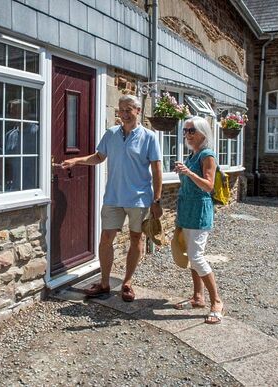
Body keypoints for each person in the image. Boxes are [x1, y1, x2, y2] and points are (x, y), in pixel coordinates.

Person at [61, 95, 163, 302]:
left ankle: (127, 282)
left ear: (138, 111)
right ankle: (105, 283)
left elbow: (157, 169)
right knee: (106, 239)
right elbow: (99, 157)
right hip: (113, 197)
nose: (124, 114)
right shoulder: (111, 134)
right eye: (121, 110)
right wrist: (77, 161)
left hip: (140, 198)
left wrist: (157, 200)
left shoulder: (149, 137)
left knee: (136, 238)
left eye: (128, 110)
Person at [173, 116, 224, 324]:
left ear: (203, 132)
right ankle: (198, 296)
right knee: (191, 255)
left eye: (191, 130)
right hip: (186, 209)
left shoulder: (207, 155)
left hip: (199, 210)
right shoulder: (192, 155)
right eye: (185, 131)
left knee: (196, 256)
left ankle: (217, 301)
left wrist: (188, 173)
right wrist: (182, 172)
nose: (187, 135)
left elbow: (208, 186)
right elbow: (188, 183)